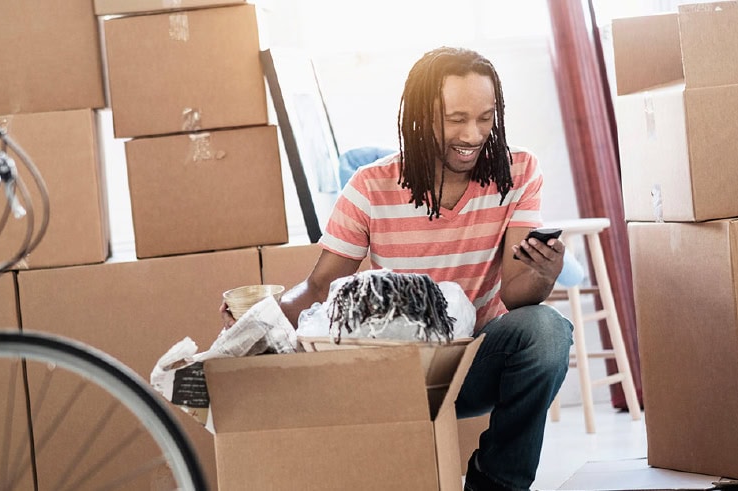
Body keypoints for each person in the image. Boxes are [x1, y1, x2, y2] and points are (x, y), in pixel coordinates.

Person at [223, 45, 573, 491]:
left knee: (547, 330)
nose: (473, 134)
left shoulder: (517, 171)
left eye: (486, 117)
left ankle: (495, 483)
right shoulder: (372, 186)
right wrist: (256, 322)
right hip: (399, 372)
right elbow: (318, 288)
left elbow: (517, 298)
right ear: (421, 116)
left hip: (477, 361)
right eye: (456, 118)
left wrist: (543, 273)